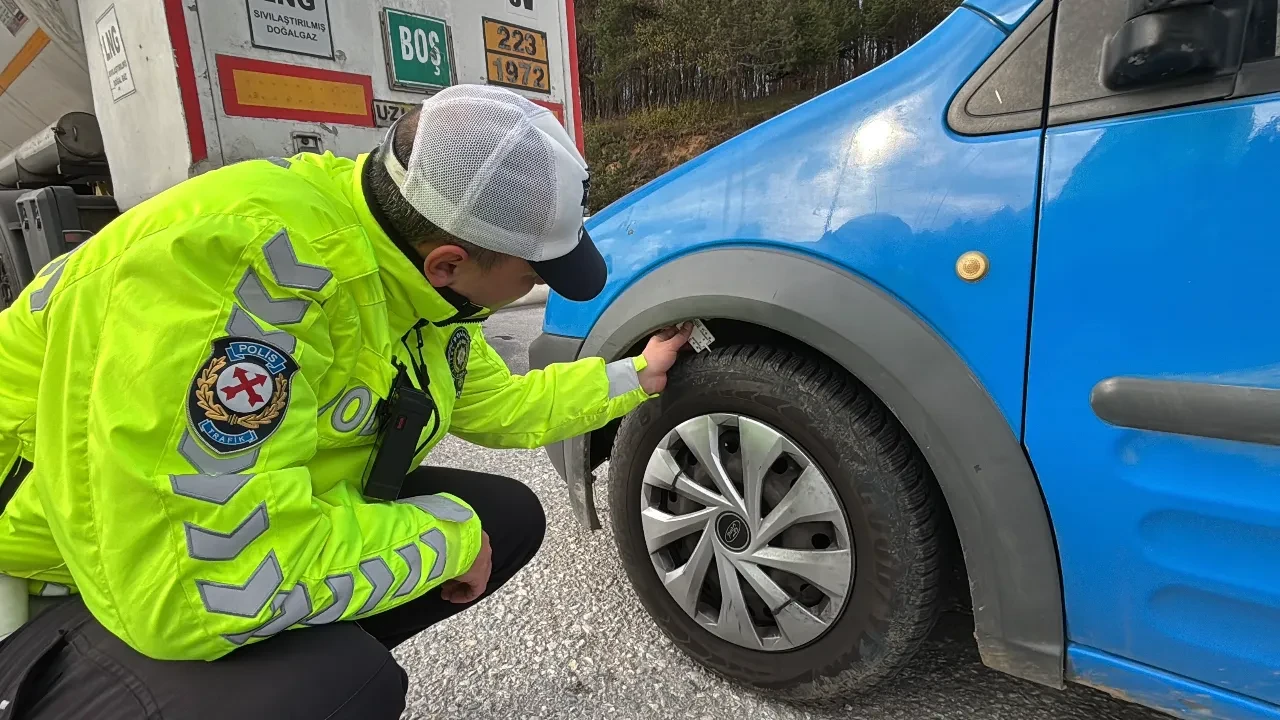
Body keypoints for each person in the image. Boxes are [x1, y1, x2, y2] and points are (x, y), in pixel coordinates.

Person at [0, 84, 693, 718]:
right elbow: (199, 582)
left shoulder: (411, 274)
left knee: (506, 518)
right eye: (533, 275)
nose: (532, 292)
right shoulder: (246, 278)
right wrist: (444, 538)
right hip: (51, 568)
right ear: (448, 261)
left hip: (173, 533)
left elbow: (501, 406)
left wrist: (639, 375)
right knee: (342, 684)